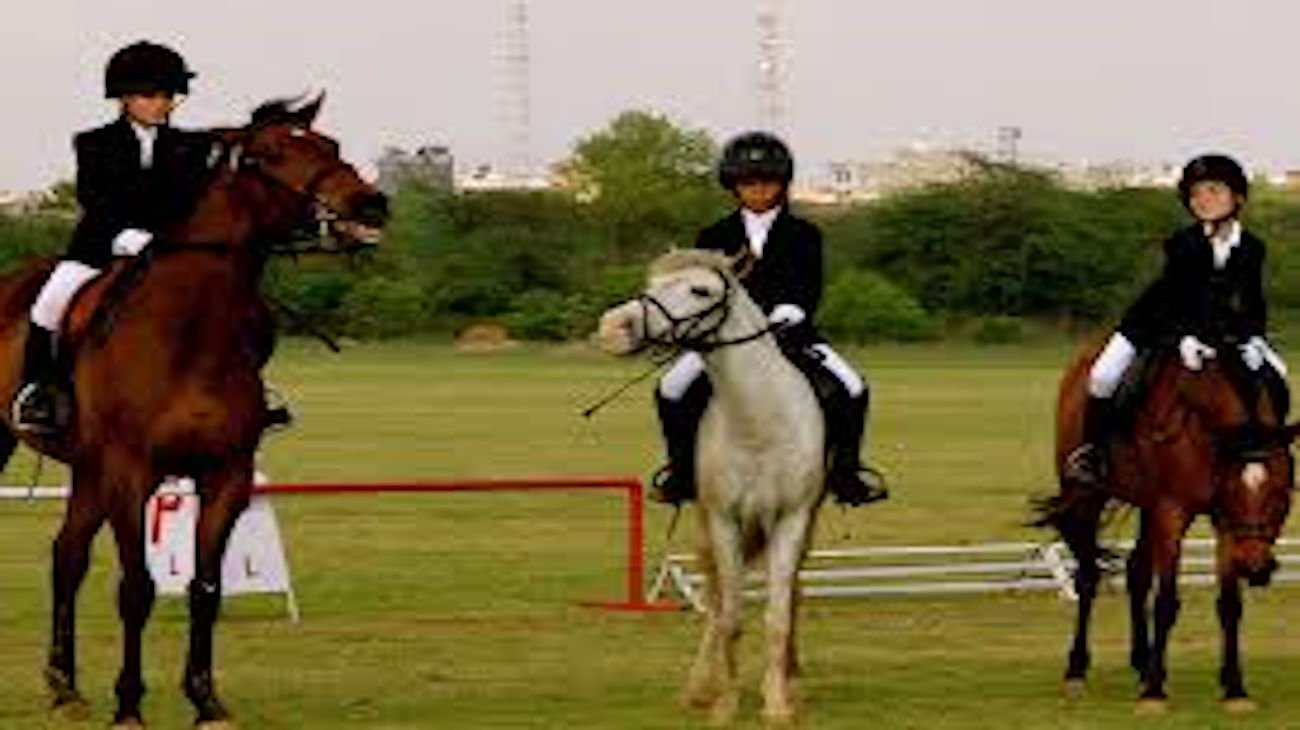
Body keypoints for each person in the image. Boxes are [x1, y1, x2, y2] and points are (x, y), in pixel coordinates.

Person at [652, 130, 888, 507]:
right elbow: (700, 288)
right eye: (748, 183)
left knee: (853, 386)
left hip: (791, 333)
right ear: (734, 186)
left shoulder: (804, 233)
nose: (758, 191)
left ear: (782, 185)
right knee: (670, 387)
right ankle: (682, 473)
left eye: (767, 183)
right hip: (725, 337)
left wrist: (791, 310)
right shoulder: (714, 234)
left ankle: (847, 473)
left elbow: (810, 285)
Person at [12, 40, 217, 433]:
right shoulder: (93, 142)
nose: (164, 104)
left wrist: (165, 237)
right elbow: (95, 198)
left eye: (169, 95)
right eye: (152, 95)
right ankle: (41, 390)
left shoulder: (194, 146)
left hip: (171, 251)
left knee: (224, 302)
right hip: (99, 248)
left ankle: (246, 390)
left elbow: (193, 200)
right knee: (48, 305)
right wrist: (124, 236)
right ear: (125, 98)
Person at [1064, 153, 1289, 484]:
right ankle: (1093, 452)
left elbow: (1253, 300)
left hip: (1220, 331)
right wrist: (1182, 337)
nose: (1203, 200)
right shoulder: (1182, 245)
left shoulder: (1252, 247)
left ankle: (1265, 445)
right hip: (1154, 324)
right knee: (1102, 376)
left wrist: (1254, 337)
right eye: (1196, 194)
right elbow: (1174, 301)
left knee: (1276, 372)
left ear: (1237, 197)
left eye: (1214, 191)